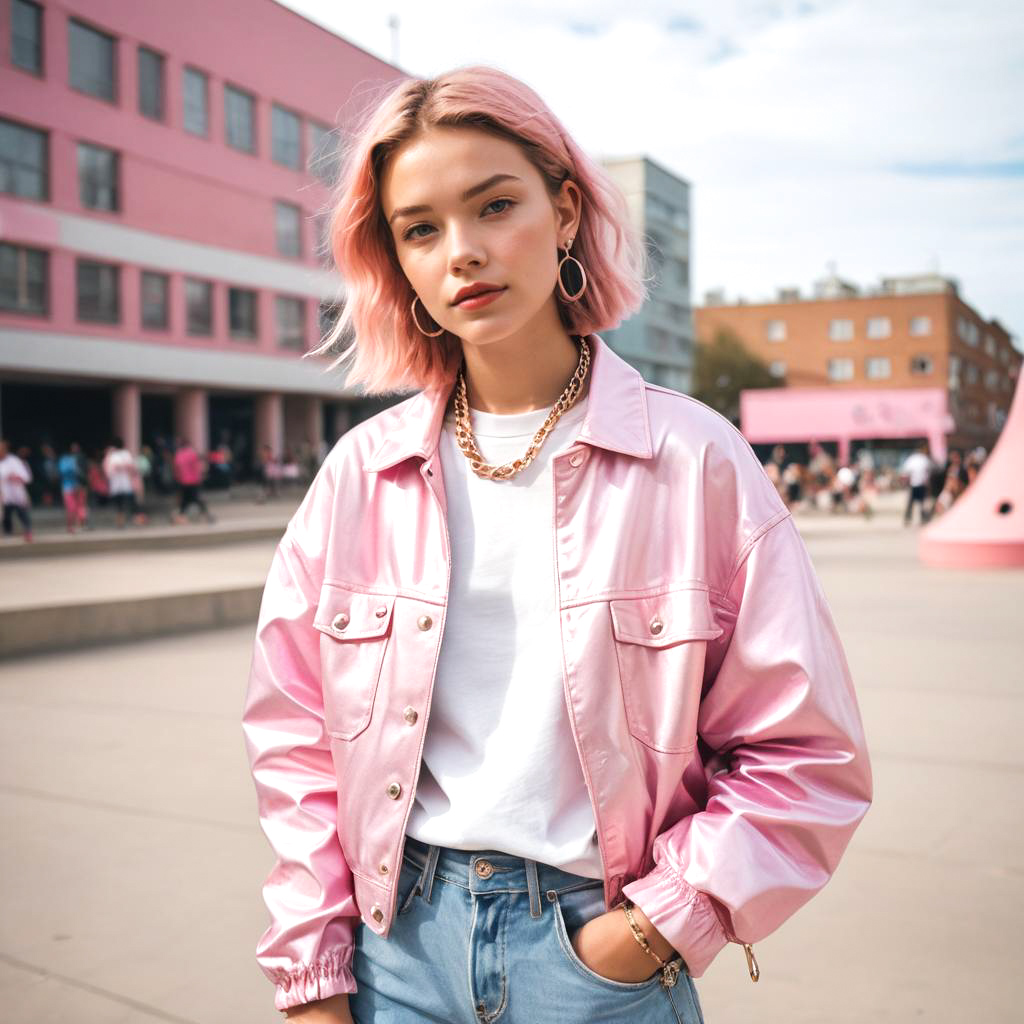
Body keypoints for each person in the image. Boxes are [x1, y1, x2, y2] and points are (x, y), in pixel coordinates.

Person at [241, 66, 873, 1024]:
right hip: (395, 954)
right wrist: (313, 970)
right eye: (421, 229)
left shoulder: (693, 459)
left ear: (566, 209)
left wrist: (657, 927)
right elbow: (296, 745)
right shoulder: (359, 477)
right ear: (398, 261)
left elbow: (804, 751)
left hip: (600, 958)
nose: (464, 253)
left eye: (495, 205)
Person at [103, 437, 148, 528]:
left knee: (128, 502)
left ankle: (135, 519)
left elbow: (110, 469)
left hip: (124, 483)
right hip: (119, 483)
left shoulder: (117, 455)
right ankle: (121, 521)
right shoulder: (118, 455)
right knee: (121, 503)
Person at [171, 437, 215, 525]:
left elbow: (176, 467)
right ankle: (206, 515)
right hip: (193, 481)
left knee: (186, 499)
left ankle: (181, 516)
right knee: (195, 498)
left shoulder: (179, 454)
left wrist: (177, 478)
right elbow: (200, 459)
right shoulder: (192, 452)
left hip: (183, 481)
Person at [0, 438, 33, 541]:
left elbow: (27, 477)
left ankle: (28, 532)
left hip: (18, 495)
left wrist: (16, 478)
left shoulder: (14, 461)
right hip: (4, 496)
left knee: (23, 514)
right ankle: (8, 533)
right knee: (6, 517)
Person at [899, 440, 933, 526]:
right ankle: (921, 518)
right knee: (920, 503)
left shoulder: (912, 459)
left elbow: (906, 472)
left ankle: (909, 518)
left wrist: (905, 482)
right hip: (920, 483)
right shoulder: (924, 459)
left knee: (912, 503)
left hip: (914, 484)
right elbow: (928, 472)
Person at [58, 441, 90, 533]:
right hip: (69, 487)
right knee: (72, 507)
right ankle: (71, 526)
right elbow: (64, 472)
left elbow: (84, 472)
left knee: (80, 506)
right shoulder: (66, 460)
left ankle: (81, 524)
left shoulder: (80, 458)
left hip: (78, 486)